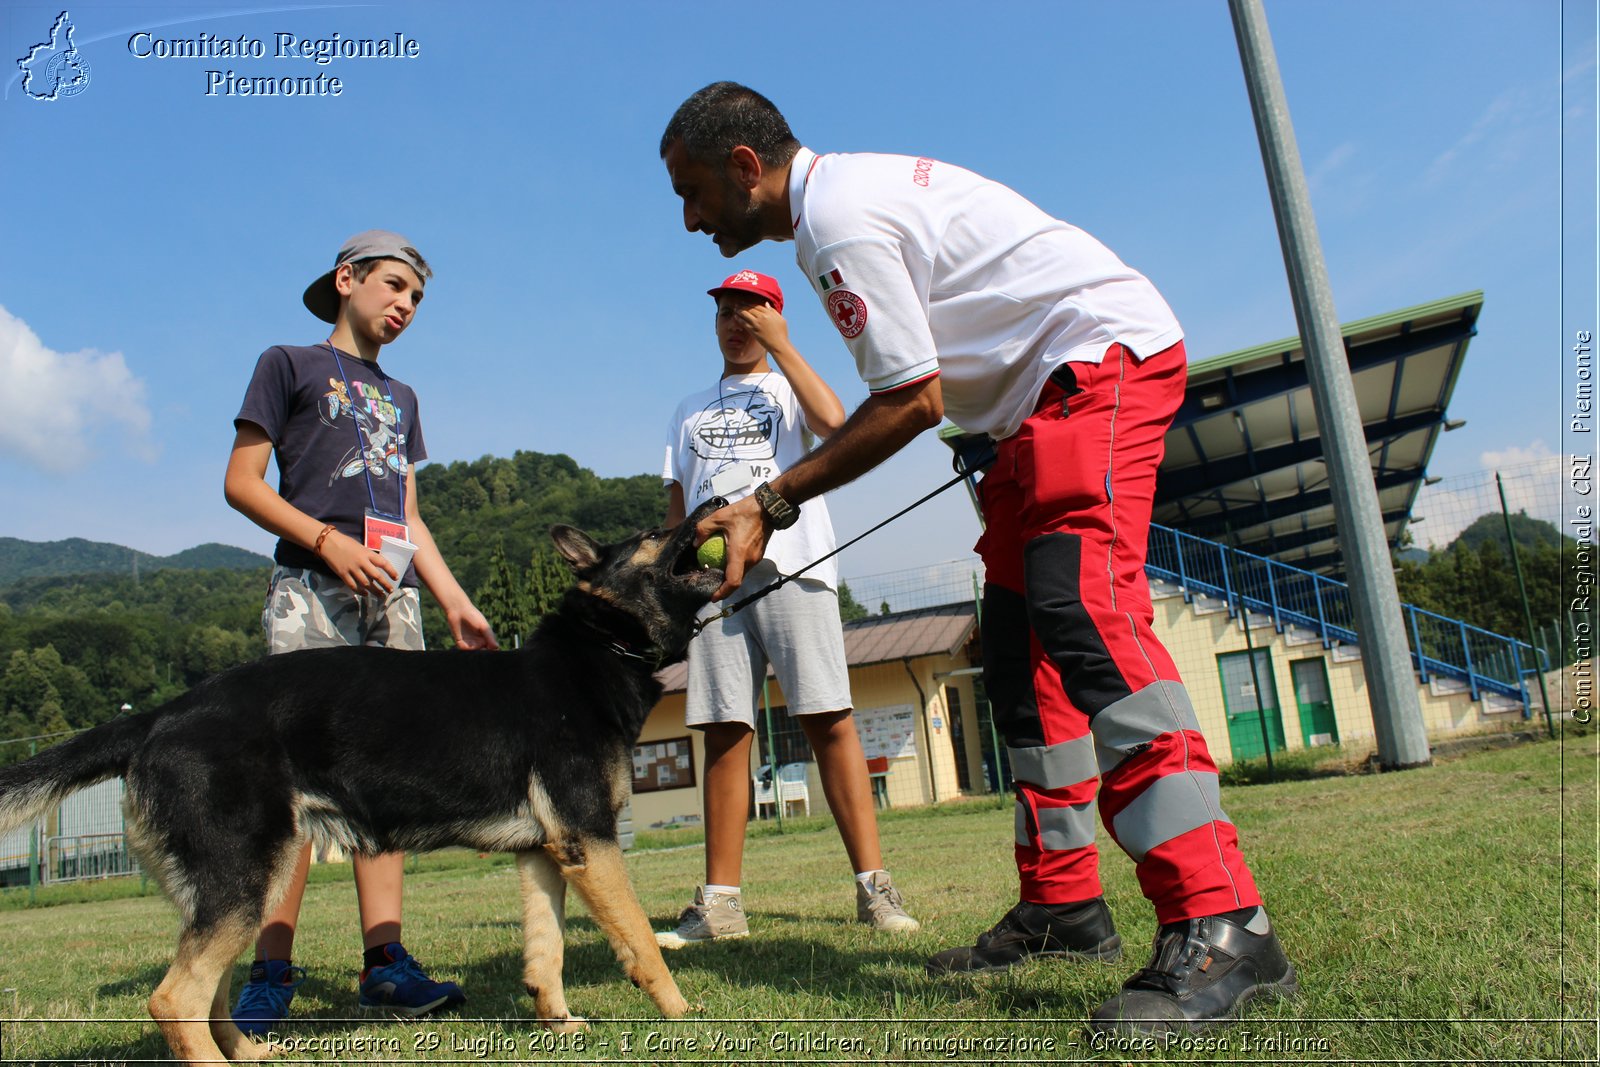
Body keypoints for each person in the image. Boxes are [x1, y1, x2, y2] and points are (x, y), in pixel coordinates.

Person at [659, 83, 1297, 1034]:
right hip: (1027, 410)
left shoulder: (835, 220)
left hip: (1098, 363)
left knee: (1086, 615)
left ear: (746, 166)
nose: (689, 217)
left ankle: (1222, 919)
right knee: (1015, 654)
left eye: (694, 189)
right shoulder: (835, 211)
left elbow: (909, 401)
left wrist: (772, 499)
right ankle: (1065, 906)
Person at [222, 230, 498, 1034]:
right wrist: (326, 541)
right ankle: (270, 971)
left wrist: (451, 599)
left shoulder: (404, 399)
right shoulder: (288, 363)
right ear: (348, 279)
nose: (406, 304)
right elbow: (241, 482)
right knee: (295, 785)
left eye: (417, 296)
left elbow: (409, 515)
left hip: (393, 600)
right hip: (313, 587)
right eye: (394, 285)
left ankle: (386, 964)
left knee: (386, 783)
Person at [656, 268, 918, 948]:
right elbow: (676, 508)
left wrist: (788, 348)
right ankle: (719, 903)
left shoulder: (790, 387)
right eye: (725, 311)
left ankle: (875, 887)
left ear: (777, 316)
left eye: (752, 310)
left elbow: (837, 425)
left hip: (795, 565)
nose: (735, 321)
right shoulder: (687, 406)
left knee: (829, 717)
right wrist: (678, 577)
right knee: (723, 730)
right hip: (718, 588)